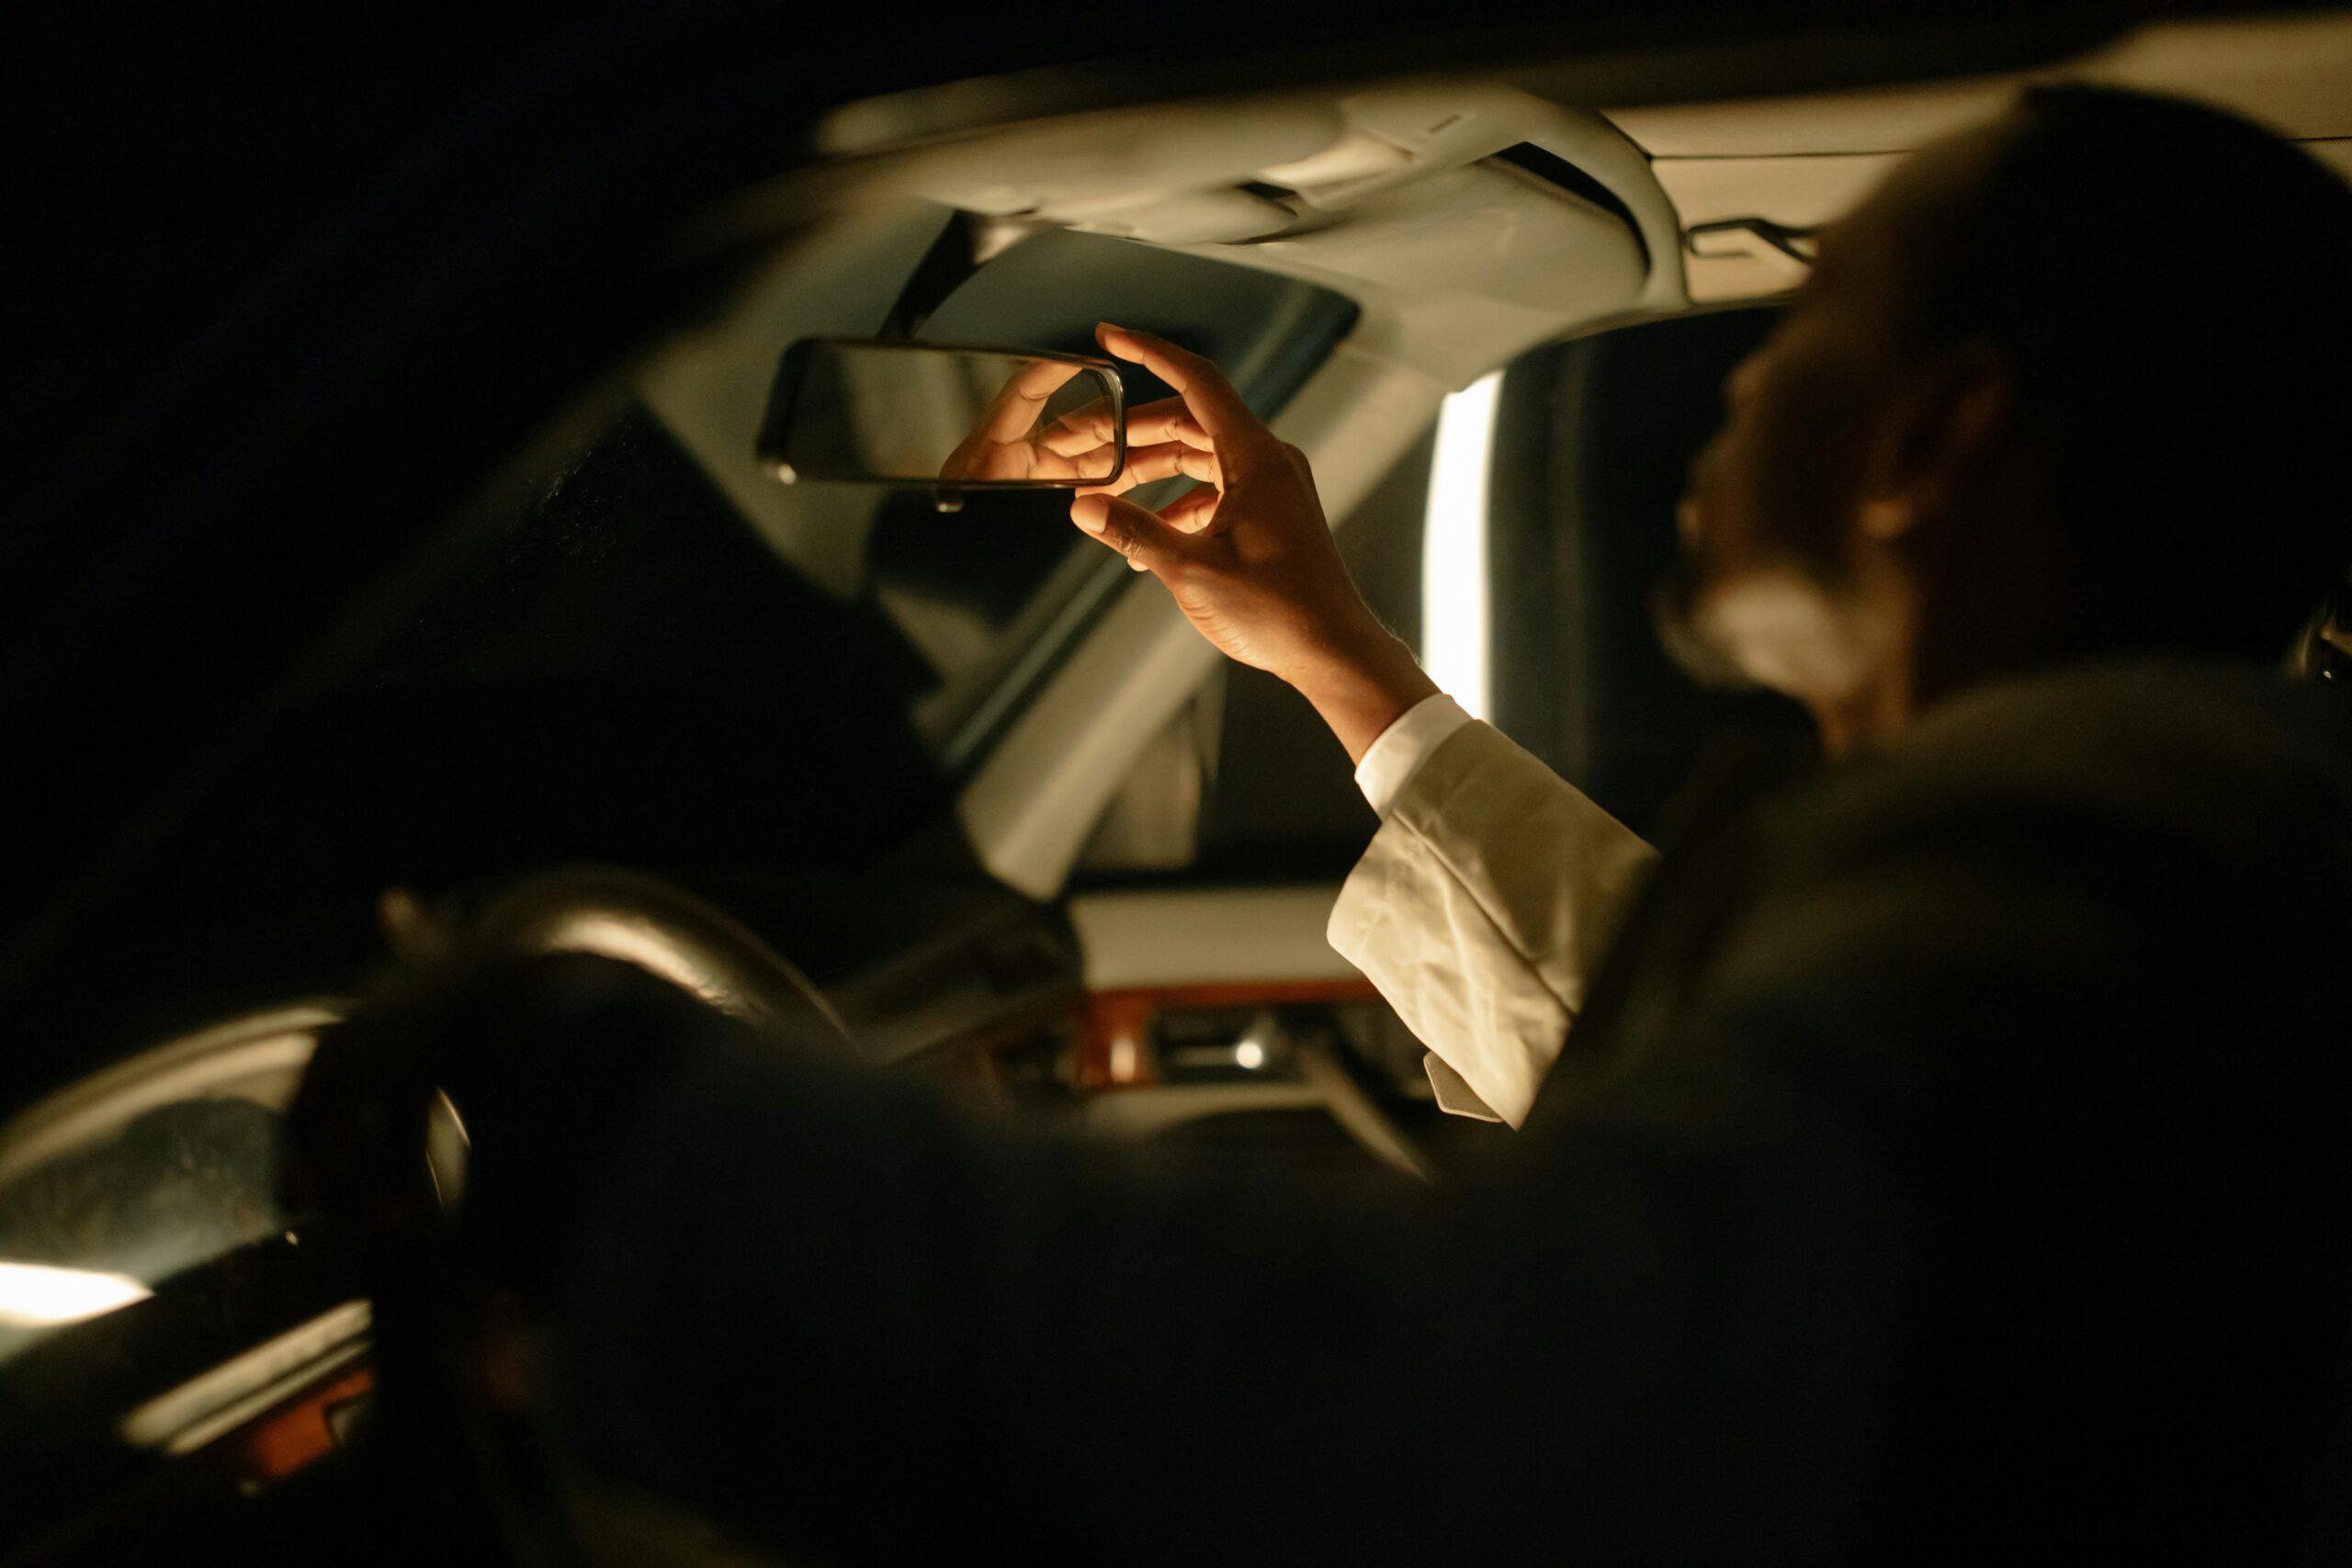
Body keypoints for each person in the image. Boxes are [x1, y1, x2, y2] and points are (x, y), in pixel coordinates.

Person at [305, 85, 2352, 1561]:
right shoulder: (2131, 875)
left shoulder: (2072, 930)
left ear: (1930, 438)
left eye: (1806, 333)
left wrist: (632, 1120)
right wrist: (1328, 646)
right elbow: (1627, 1062)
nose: (1733, 398)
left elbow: (1438, 1403)